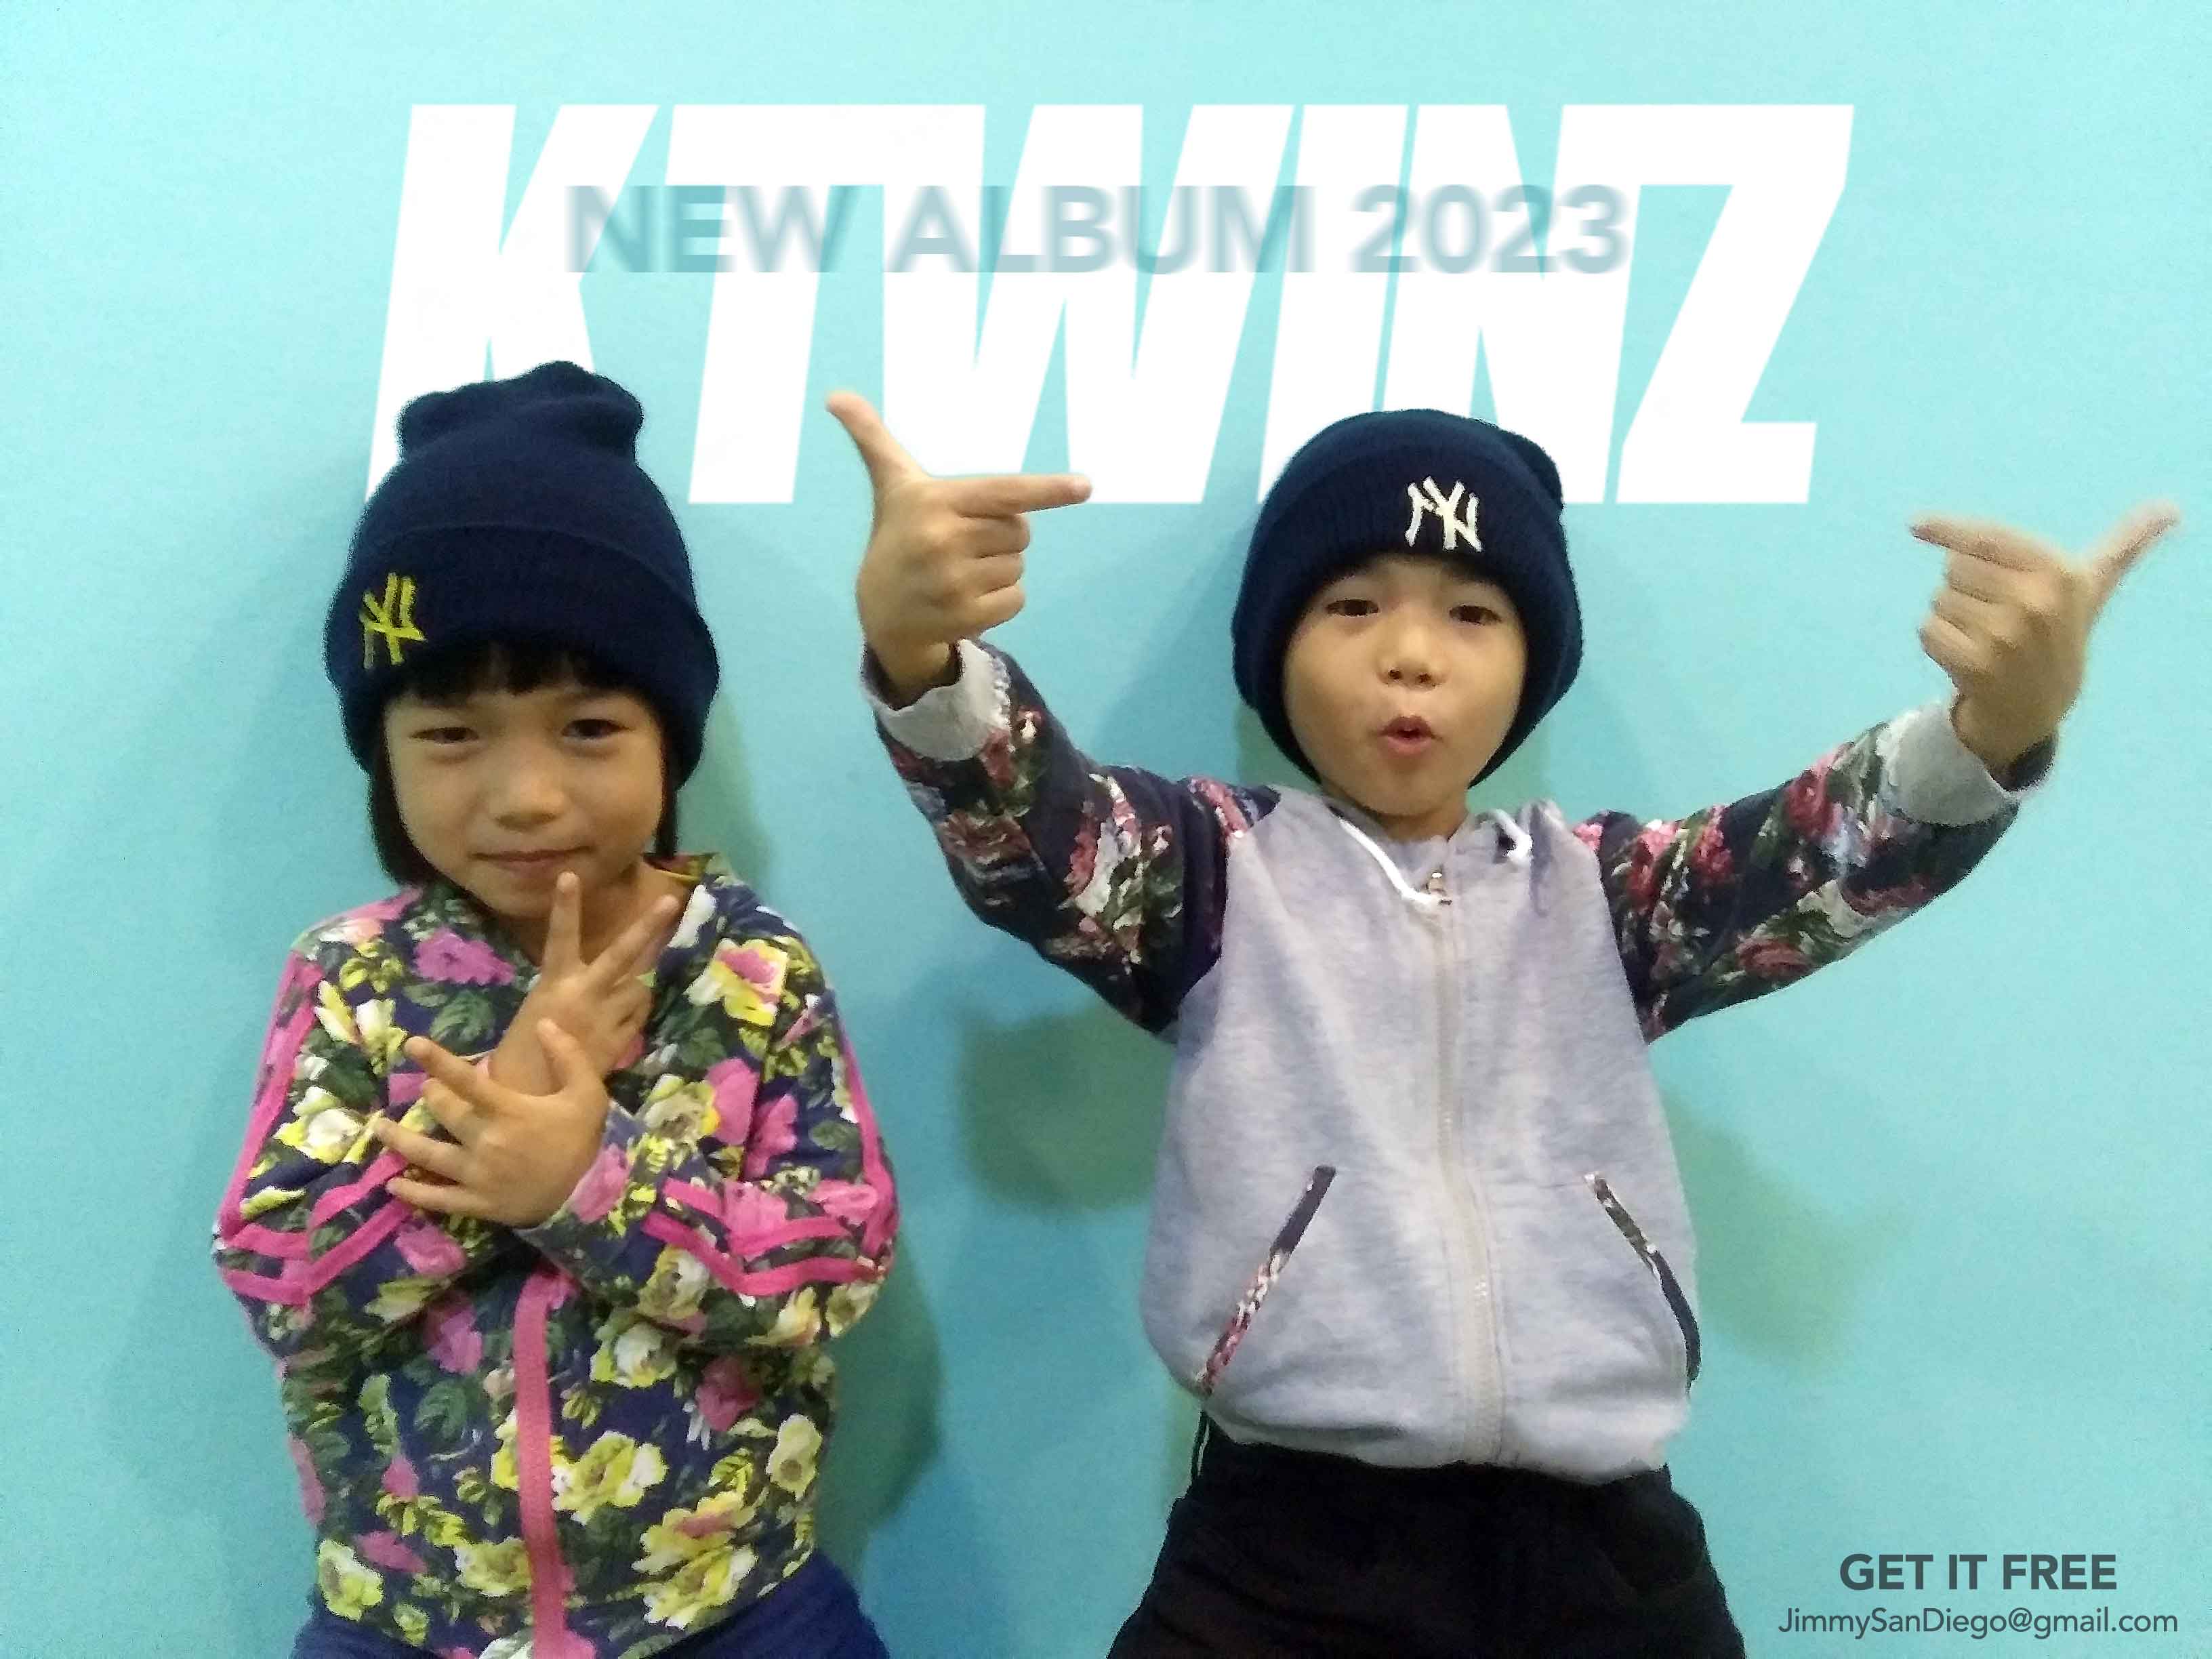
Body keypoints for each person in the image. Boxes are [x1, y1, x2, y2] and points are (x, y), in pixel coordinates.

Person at [827, 389, 2177, 1656]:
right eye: (1353, 604)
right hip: (1285, 1547)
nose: (1411, 653)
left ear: (1533, 663)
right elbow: (1035, 828)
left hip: (1609, 1552)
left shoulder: (1608, 894)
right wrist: (922, 659)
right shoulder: (1209, 873)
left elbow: (1818, 855)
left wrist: (1994, 728)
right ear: (1276, 650)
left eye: (1473, 612)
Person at [213, 363, 899, 1659]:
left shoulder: (749, 971)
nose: (525, 795)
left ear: (667, 738)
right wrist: (474, 1160)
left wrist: (589, 1181)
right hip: (405, 1616)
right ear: (383, 751)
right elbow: (279, 1285)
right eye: (452, 735)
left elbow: (835, 1264)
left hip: (730, 1604)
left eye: (587, 727)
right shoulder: (351, 978)